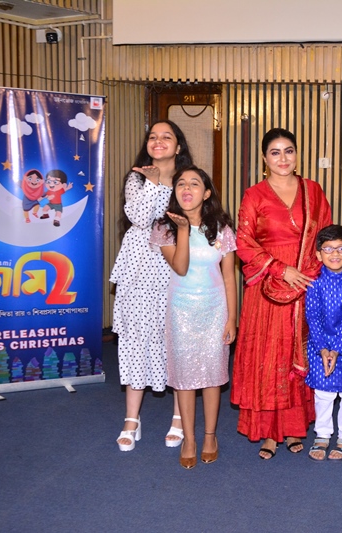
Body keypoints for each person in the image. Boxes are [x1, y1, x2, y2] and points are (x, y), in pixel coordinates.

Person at [231, 128, 342, 459]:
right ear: (264, 158)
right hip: (269, 288)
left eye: (289, 151)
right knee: (270, 356)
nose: (283, 158)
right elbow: (243, 242)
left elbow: (327, 235)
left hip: (308, 282)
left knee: (302, 352)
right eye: (275, 152)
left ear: (297, 154)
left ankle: (294, 426)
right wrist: (279, 269)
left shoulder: (312, 190)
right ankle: (269, 433)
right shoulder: (254, 195)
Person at [110, 120, 192, 452]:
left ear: (178, 146)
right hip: (138, 270)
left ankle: (179, 417)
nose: (158, 141)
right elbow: (141, 219)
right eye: (153, 137)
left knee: (175, 340)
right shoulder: (137, 179)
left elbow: (193, 219)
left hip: (175, 266)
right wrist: (154, 183)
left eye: (166, 137)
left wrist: (165, 185)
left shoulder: (188, 180)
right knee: (135, 339)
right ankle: (132, 419)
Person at [150, 166, 237, 469]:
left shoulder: (222, 229)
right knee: (185, 379)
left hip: (215, 310)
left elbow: (229, 277)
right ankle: (189, 438)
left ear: (207, 193)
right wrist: (184, 230)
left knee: (213, 376)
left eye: (195, 184)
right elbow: (181, 267)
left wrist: (232, 318)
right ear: (175, 192)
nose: (187, 189)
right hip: (181, 310)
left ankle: (210, 436)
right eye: (181, 184)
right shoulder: (164, 227)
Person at [305, 225, 342, 462]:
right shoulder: (314, 278)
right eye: (328, 249)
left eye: (341, 248)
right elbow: (312, 315)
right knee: (323, 393)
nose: (335, 254)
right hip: (320, 343)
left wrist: (337, 349)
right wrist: (323, 348)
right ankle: (322, 434)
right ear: (319, 254)